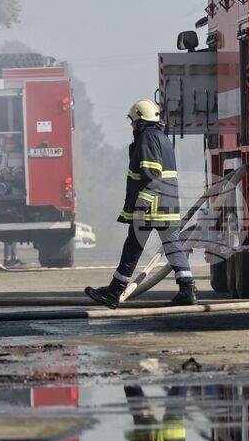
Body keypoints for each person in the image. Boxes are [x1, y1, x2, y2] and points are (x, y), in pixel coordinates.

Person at [84, 100, 196, 308]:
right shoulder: (162, 138)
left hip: (151, 207)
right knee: (173, 247)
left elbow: (151, 176)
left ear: (139, 120)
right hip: (168, 206)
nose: (131, 126)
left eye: (132, 121)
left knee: (132, 248)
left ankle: (114, 291)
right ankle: (187, 289)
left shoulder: (146, 139)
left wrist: (142, 206)